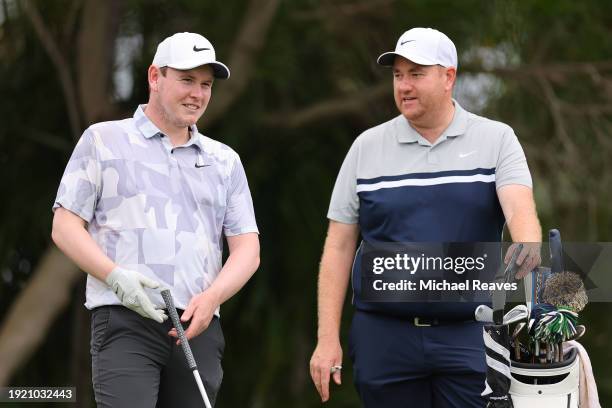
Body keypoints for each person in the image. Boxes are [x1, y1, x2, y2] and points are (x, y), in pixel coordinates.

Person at [309, 27, 541, 407]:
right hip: (384, 338)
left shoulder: (497, 139)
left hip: (472, 332)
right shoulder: (366, 148)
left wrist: (529, 280)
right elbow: (338, 246)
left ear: (449, 76)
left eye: (416, 73)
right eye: (398, 75)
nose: (404, 85)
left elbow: (521, 213)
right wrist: (326, 337)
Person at [51, 32, 260, 407]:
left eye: (206, 84)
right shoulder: (103, 140)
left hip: (198, 328)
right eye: (186, 80)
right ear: (154, 77)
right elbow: (65, 226)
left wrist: (213, 296)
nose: (197, 94)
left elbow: (248, 249)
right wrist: (115, 277)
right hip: (124, 319)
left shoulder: (225, 160)